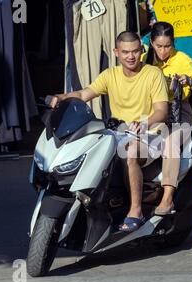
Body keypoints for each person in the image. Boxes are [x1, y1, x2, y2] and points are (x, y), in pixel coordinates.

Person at [49, 31, 169, 232]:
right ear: (116, 52)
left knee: (129, 153)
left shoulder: (153, 74)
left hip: (151, 134)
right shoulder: (109, 75)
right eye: (125, 52)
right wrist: (61, 98)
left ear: (141, 51)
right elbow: (82, 94)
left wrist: (143, 122)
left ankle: (135, 211)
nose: (130, 56)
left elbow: (161, 112)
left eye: (135, 51)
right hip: (119, 133)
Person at [143, 21, 192, 216]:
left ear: (174, 43)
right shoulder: (144, 59)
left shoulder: (183, 60)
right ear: (151, 43)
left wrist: (189, 80)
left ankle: (167, 197)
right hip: (151, 114)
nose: (163, 51)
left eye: (168, 46)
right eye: (159, 46)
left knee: (171, 141)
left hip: (179, 115)